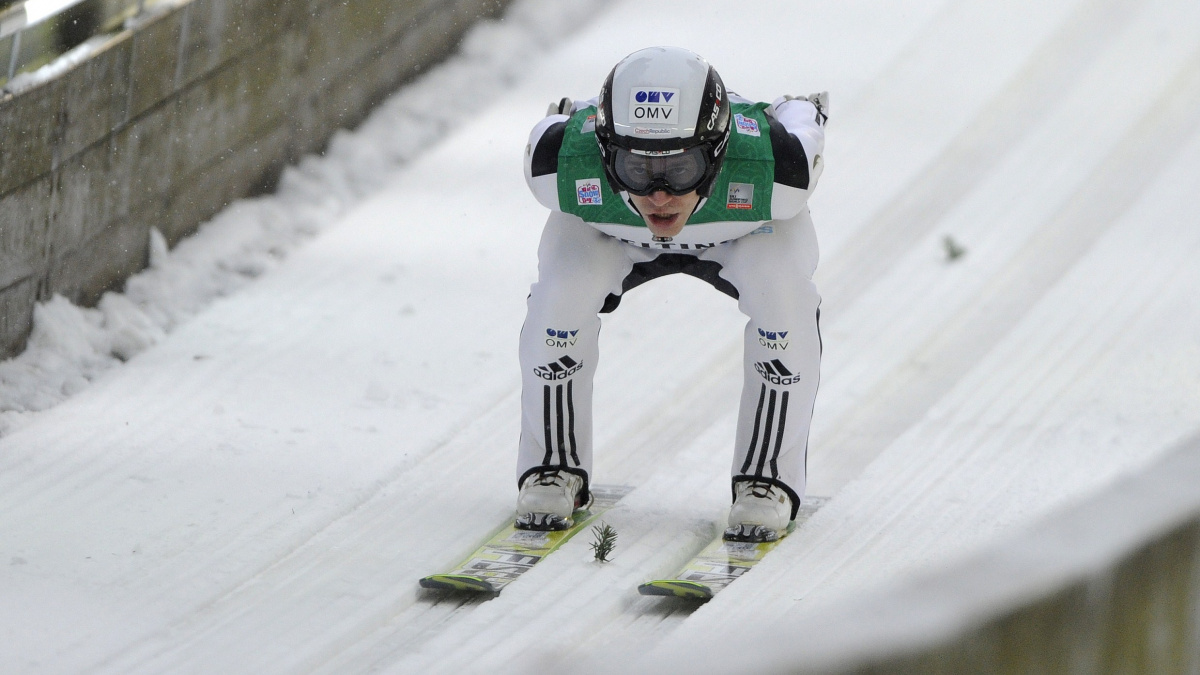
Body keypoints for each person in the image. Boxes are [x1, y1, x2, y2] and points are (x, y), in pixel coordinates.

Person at [516, 46, 826, 543]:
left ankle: (765, 479)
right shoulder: (556, 165)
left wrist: (798, 110)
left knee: (783, 300)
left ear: (719, 150)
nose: (660, 196)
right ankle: (553, 467)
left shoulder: (782, 170)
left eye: (680, 169)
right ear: (603, 150)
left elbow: (805, 128)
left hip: (746, 231)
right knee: (559, 299)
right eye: (635, 168)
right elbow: (558, 122)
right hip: (610, 233)